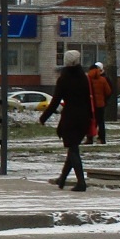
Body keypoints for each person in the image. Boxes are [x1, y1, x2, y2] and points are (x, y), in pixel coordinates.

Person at [38, 49, 94, 192]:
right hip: (84, 118)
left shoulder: (64, 79)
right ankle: (62, 179)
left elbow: (55, 101)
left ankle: (81, 183)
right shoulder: (85, 78)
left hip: (70, 118)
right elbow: (90, 99)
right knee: (73, 148)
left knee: (73, 149)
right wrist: (93, 118)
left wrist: (44, 117)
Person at [85, 60, 113, 144]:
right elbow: (108, 91)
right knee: (101, 122)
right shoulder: (103, 79)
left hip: (90, 104)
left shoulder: (87, 80)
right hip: (100, 104)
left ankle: (89, 138)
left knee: (91, 121)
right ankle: (102, 139)